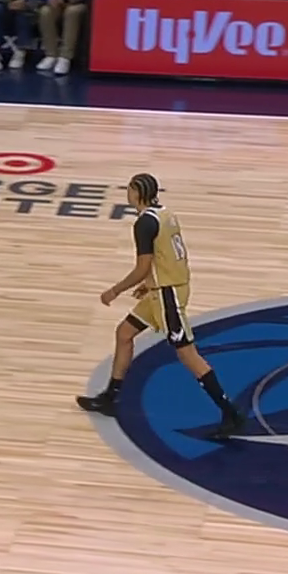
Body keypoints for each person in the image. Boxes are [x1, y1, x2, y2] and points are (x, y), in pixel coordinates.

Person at [76, 174, 243, 439]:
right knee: (124, 333)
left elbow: (142, 267)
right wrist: (151, 282)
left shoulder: (144, 223)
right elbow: (168, 255)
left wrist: (115, 290)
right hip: (163, 288)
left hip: (168, 295)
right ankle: (110, 397)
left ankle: (231, 413)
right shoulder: (165, 213)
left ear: (137, 192)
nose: (127, 192)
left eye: (130, 188)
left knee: (188, 355)